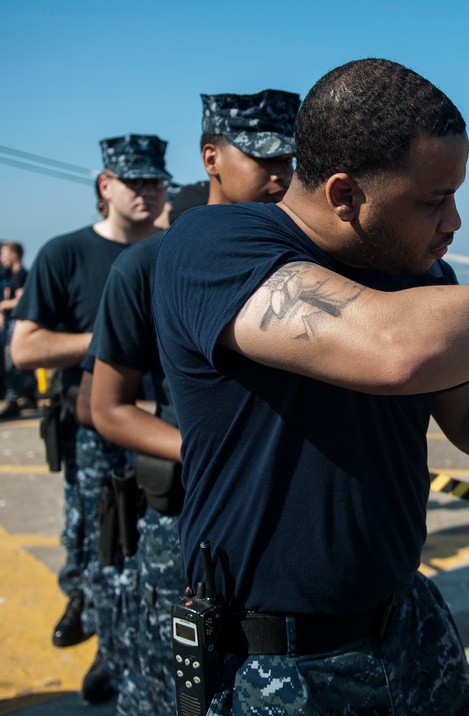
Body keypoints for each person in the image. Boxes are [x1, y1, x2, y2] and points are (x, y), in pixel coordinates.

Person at [152, 58, 469, 714]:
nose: (453, 221)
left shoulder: (419, 275)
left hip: (409, 626)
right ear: (344, 194)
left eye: (455, 193)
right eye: (431, 199)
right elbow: (395, 349)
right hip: (275, 659)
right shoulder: (217, 243)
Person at [88, 88, 299, 716]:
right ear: (211, 157)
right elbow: (107, 407)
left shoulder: (301, 267)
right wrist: (206, 450)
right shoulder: (144, 268)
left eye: (291, 159)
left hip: (274, 521)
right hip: (185, 518)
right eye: (263, 158)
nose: (281, 174)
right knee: (171, 688)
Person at [11, 134, 171, 705]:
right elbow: (24, 350)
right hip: (97, 428)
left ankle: (136, 649)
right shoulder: (64, 254)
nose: (149, 191)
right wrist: (110, 343)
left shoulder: (174, 249)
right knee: (101, 544)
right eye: (136, 181)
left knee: (158, 554)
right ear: (105, 186)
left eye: (157, 181)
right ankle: (108, 646)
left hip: (165, 425)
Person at [0, 241, 36, 418]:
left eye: (4, 254)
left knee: (13, 362)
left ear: (14, 255)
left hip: (17, 324)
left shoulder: (20, 275)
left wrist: (2, 305)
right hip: (13, 323)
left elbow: (20, 300)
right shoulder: (13, 276)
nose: (2, 258)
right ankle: (25, 396)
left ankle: (17, 398)